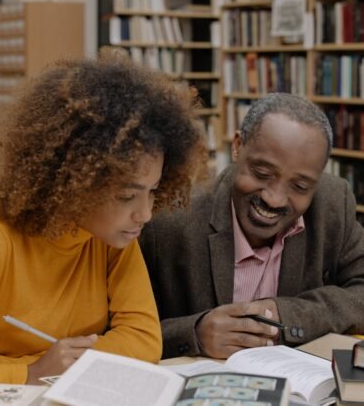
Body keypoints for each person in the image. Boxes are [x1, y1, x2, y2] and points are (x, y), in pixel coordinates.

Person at [0, 54, 207, 404]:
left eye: (153, 191)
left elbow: (144, 341)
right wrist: (27, 373)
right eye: (127, 195)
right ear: (73, 182)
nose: (144, 214)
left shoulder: (113, 240)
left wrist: (42, 369)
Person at [140, 92, 364, 360]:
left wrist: (288, 316)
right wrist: (194, 333)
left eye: (300, 186)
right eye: (262, 173)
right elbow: (121, 330)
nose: (275, 198)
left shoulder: (333, 202)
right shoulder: (167, 218)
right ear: (237, 147)